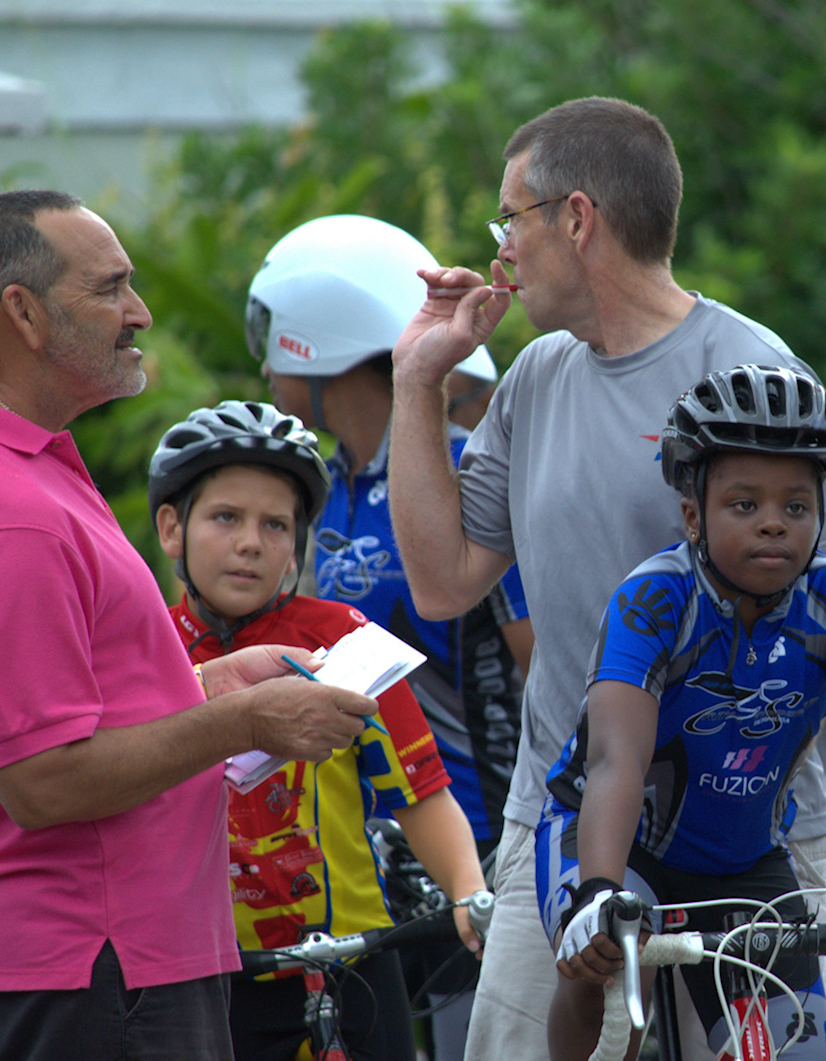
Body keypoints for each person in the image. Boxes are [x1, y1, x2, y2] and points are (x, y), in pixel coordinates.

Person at [384, 97, 826, 1060]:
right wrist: (416, 381)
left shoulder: (755, 377)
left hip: (750, 836)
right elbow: (442, 583)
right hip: (560, 826)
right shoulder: (534, 377)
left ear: (576, 218)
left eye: (509, 219)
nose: (500, 252)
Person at [0, 190, 377, 1061]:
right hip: (96, 969)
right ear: (23, 314)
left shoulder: (21, 472)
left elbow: (61, 716)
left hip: (113, 967)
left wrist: (204, 686)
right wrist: (243, 722)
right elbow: (40, 780)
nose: (140, 313)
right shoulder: (8, 509)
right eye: (111, 288)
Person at [541, 366, 826, 1061]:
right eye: (744, 504)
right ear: (693, 514)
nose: (774, 521)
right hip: (611, 841)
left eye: (797, 505)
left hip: (743, 861)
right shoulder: (654, 599)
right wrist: (597, 891)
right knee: (605, 987)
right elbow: (615, 759)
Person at [244, 214, 530, 1061]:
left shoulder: (471, 468)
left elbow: (541, 659)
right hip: (356, 854)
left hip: (479, 838)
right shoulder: (318, 491)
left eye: (270, 336)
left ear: (314, 340)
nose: (263, 362)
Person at [149, 400, 488, 1061]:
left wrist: (469, 893)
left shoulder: (341, 637)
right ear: (170, 527)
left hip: (351, 966)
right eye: (225, 517)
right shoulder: (143, 647)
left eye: (276, 524)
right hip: (207, 976)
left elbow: (419, 790)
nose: (252, 541)